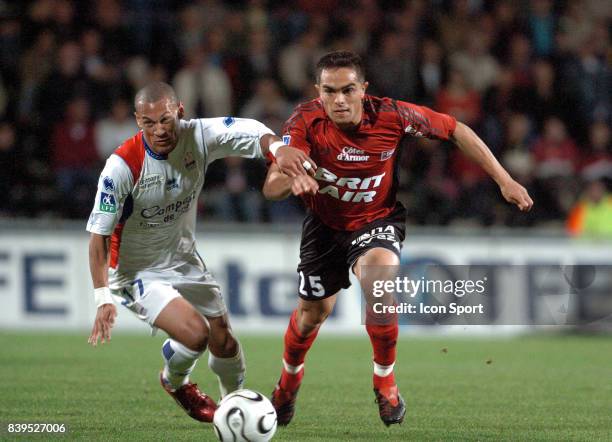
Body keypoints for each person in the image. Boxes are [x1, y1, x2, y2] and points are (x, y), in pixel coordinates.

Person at [263, 51, 533, 427]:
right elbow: (270, 186)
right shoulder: (304, 122)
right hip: (324, 227)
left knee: (378, 286)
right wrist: (291, 178)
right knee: (311, 316)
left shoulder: (393, 115)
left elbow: (457, 129)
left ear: (363, 89)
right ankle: (288, 386)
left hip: (377, 219)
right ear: (318, 92)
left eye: (348, 90)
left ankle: (385, 382)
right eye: (330, 91)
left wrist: (504, 179)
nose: (339, 100)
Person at [86, 81, 314, 423]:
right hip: (136, 272)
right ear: (137, 121)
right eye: (149, 123)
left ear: (180, 112)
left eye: (165, 119)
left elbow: (250, 131)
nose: (159, 130)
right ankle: (175, 381)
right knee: (196, 334)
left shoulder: (199, 135)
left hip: (183, 258)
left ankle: (234, 408)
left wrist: (279, 150)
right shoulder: (121, 167)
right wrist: (103, 296)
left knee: (225, 341)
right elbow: (98, 236)